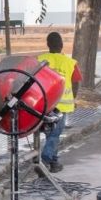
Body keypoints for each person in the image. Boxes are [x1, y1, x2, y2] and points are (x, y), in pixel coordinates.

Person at [35, 32, 81, 173]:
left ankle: (54, 163)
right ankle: (45, 160)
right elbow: (76, 82)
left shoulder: (40, 60)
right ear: (62, 45)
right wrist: (73, 97)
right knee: (55, 134)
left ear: (48, 45)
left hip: (44, 104)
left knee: (50, 133)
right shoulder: (70, 62)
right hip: (62, 105)